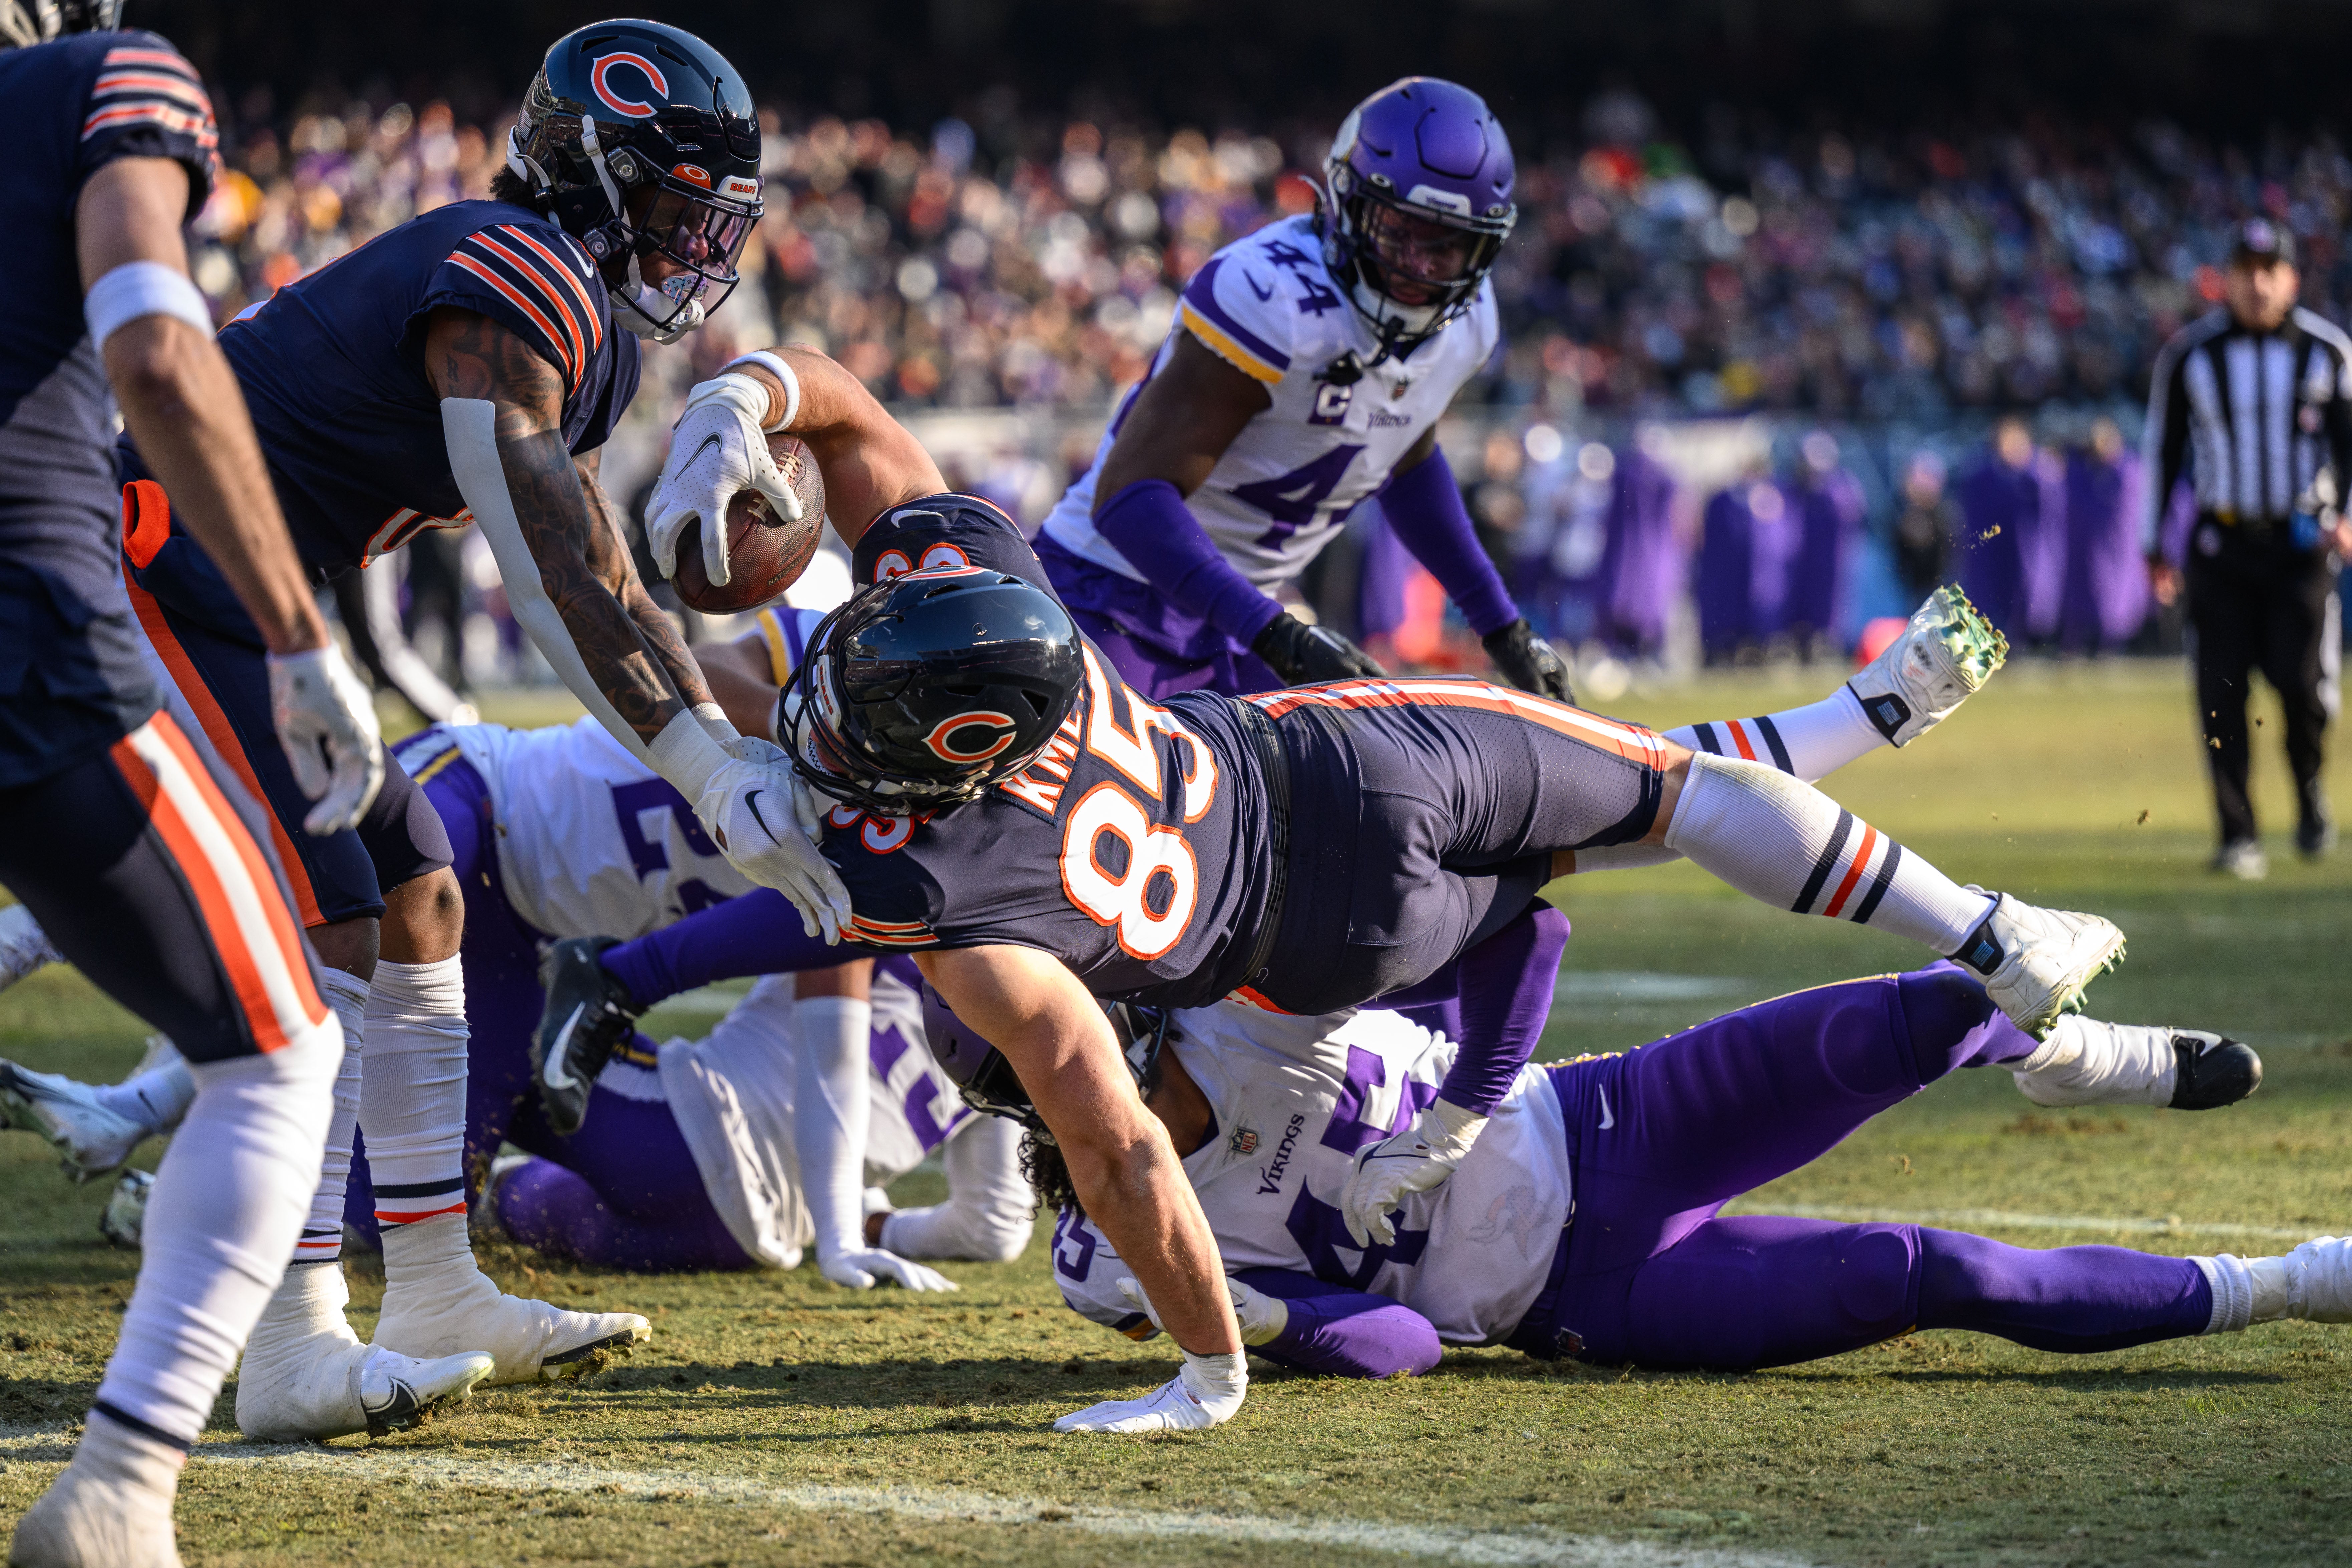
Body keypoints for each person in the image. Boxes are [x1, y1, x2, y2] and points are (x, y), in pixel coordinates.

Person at [612, 340, 2124, 1432]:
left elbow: (1110, 1124)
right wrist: (752, 389)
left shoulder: (1111, 1001)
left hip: (1341, 942)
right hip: (1314, 801)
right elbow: (883, 442)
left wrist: (1225, 1344)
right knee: (1662, 793)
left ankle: (1892, 769)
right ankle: (1885, 757)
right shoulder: (1049, 678)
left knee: (1646, 803)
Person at [99, 17, 847, 1441]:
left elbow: (609, 571)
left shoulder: (579, 321)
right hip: (148, 564)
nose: (701, 242)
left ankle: (435, 1283)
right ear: (595, 175)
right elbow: (548, 559)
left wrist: (719, 738)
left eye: (717, 216)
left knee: (421, 889)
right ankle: (287, 1337)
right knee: (329, 924)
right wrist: (701, 765)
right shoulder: (510, 269)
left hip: (237, 591)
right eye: (683, 205)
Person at [0, 9, 472, 1564]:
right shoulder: (104, 78)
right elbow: (153, 343)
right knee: (280, 1055)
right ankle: (125, 1487)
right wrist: (292, 627)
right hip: (30, 634)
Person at [985, 972, 2290, 1379]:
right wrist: (1253, 1315)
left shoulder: (1237, 989)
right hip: (1602, 1294)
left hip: (1615, 1114)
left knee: (1927, 1011)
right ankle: (2289, 1282)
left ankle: (2076, 1054)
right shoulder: (1114, 1252)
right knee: (1929, 1270)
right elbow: (1400, 1344)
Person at [1022, 78, 1573, 704]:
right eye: (1400, 231)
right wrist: (1274, 633)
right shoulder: (1273, 300)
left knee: (1346, 791)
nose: (1419, 267)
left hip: (1241, 618)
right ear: (1348, 204)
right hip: (1114, 590)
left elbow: (1406, 466)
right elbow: (1128, 500)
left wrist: (1504, 628)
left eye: (1447, 245)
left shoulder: (1469, 324)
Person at [2142, 218, 2352, 877]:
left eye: (2270, 271)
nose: (2257, 284)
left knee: (2302, 690)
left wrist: (2345, 519)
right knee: (2219, 692)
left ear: (2291, 278)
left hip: (2299, 547)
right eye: (2245, 271)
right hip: (2221, 546)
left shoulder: (2327, 352)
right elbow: (2162, 452)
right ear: (2226, 279)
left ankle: (2309, 797)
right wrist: (2155, 546)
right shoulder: (2189, 357)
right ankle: (2237, 835)